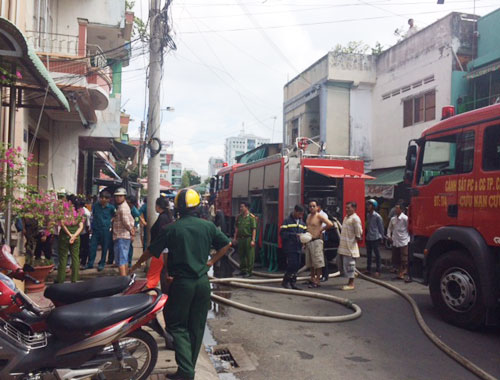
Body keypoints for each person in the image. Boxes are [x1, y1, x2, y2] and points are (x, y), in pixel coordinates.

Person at [130, 189, 231, 380]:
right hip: (202, 284)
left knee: (176, 325)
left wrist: (134, 266)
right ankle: (187, 369)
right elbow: (226, 244)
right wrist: (211, 261)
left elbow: (151, 251)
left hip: (182, 284)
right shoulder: (207, 226)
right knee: (196, 326)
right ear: (197, 206)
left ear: (178, 208)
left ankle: (186, 371)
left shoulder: (172, 228)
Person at [146, 196, 174, 289]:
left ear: (158, 206)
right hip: (164, 251)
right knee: (162, 274)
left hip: (160, 252)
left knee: (153, 276)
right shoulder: (167, 217)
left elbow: (160, 236)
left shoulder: (162, 218)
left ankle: (148, 295)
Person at [305, 200, 333, 288]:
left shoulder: (319, 216)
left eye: (314, 206)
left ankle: (317, 280)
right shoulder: (308, 216)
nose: (312, 208)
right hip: (309, 241)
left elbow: (330, 224)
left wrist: (321, 230)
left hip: (317, 241)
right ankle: (312, 278)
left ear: (317, 207)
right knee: (310, 263)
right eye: (310, 206)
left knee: (317, 263)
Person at [57, 197, 84, 283]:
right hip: (76, 237)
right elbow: (81, 226)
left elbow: (62, 224)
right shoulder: (79, 213)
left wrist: (69, 235)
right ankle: (74, 279)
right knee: (75, 258)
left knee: (63, 258)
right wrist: (74, 236)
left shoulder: (65, 212)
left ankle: (60, 280)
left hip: (65, 237)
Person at [337, 201, 363, 290]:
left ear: (354, 208)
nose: (346, 209)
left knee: (350, 265)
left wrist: (354, 240)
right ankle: (352, 276)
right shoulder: (346, 217)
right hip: (343, 247)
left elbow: (359, 233)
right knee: (342, 265)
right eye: (346, 208)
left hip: (350, 247)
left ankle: (351, 284)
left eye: (349, 208)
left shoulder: (355, 219)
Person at [280, 205, 307, 290]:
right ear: (295, 211)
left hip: (298, 247)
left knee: (297, 264)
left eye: (302, 214)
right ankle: (285, 281)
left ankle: (293, 282)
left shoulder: (302, 223)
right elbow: (282, 234)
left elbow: (305, 233)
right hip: (290, 247)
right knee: (292, 264)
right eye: (299, 214)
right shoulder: (287, 221)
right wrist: (294, 235)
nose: (300, 216)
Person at [86, 191, 115, 271]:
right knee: (92, 246)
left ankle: (102, 263)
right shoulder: (95, 206)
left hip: (105, 230)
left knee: (105, 247)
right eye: (101, 198)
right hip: (95, 229)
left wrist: (109, 223)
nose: (103, 199)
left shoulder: (111, 208)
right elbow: (93, 216)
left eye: (105, 198)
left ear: (108, 199)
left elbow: (114, 216)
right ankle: (90, 263)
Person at [112, 188, 135, 277]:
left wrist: (131, 231)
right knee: (123, 259)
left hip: (121, 236)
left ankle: (123, 281)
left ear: (124, 197)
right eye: (117, 196)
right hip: (122, 236)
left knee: (121, 260)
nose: (118, 198)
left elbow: (126, 222)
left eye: (120, 196)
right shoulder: (123, 206)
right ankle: (125, 279)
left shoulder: (123, 208)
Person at [387, 202, 410, 282]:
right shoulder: (393, 219)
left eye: (397, 208)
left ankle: (403, 272)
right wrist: (389, 236)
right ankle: (400, 272)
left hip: (403, 240)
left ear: (401, 209)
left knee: (404, 257)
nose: (395, 209)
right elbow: (389, 228)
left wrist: (408, 238)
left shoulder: (405, 218)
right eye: (395, 208)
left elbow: (409, 229)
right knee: (396, 257)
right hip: (395, 240)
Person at [233, 202, 257, 278]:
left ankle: (249, 272)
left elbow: (254, 229)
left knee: (249, 256)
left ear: (247, 208)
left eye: (242, 207)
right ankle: (243, 270)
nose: (240, 208)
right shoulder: (239, 217)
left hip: (248, 238)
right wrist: (235, 238)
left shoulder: (251, 217)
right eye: (240, 207)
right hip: (241, 239)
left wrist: (253, 240)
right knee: (241, 255)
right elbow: (236, 228)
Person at [364, 199, 385, 278]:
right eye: (367, 205)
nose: (367, 207)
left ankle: (378, 270)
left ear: (373, 206)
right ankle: (368, 269)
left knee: (377, 255)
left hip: (376, 237)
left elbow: (381, 228)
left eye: (369, 205)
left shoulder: (377, 216)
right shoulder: (368, 215)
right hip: (369, 237)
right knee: (368, 254)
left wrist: (382, 237)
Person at [317, 202, 330, 282]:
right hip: (314, 237)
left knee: (322, 257)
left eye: (315, 206)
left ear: (319, 207)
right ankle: (316, 274)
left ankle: (325, 275)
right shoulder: (313, 215)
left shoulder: (323, 215)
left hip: (321, 237)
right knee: (315, 257)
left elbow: (324, 227)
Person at [127, 195, 141, 267]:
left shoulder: (135, 212)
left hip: (131, 230)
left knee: (129, 246)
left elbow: (136, 223)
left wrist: (133, 234)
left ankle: (129, 262)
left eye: (129, 202)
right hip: (126, 230)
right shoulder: (127, 209)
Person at [79, 197, 91, 268]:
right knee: (83, 247)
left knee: (84, 248)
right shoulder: (86, 211)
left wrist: (88, 231)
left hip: (84, 232)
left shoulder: (85, 213)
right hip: (82, 232)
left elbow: (87, 224)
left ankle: (83, 262)